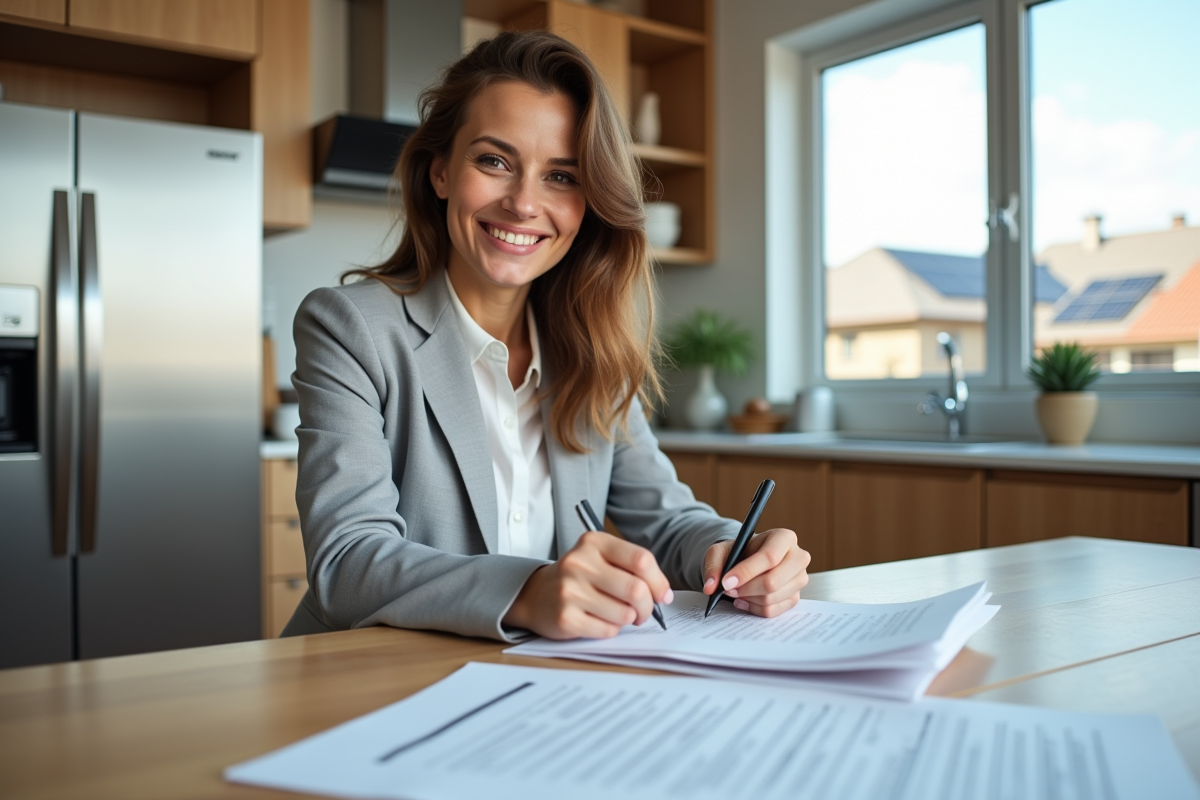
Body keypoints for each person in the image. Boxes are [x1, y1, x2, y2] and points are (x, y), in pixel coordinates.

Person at [281, 30, 810, 642]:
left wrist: (732, 551)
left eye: (561, 176)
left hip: (531, 689)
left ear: (589, 203)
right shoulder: (351, 327)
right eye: (495, 161)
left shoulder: (594, 352)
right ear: (441, 172)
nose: (525, 203)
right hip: (366, 688)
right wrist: (530, 590)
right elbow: (346, 561)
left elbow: (665, 521)